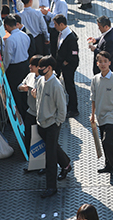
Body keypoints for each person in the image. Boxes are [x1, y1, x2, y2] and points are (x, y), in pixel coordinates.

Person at [34, 55, 71, 198]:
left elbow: (62, 108)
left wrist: (57, 122)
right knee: (53, 147)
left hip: (51, 125)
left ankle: (51, 187)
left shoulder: (56, 85)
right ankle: (66, 164)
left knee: (50, 156)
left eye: (41, 67)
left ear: (49, 68)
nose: (39, 70)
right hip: (41, 123)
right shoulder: (41, 81)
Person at [3, 15, 31, 121]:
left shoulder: (10, 40)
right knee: (25, 90)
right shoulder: (25, 35)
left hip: (15, 69)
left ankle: (20, 116)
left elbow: (7, 58)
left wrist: (3, 70)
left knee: (16, 92)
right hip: (25, 65)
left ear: (6, 26)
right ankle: (26, 112)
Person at [54, 15, 80, 118]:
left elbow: (74, 53)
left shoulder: (70, 37)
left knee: (70, 86)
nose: (54, 26)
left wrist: (66, 62)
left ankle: (74, 109)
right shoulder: (62, 34)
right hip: (62, 63)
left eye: (56, 25)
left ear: (61, 24)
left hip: (69, 65)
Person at [18, 55, 43, 154]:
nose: (30, 66)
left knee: (40, 137)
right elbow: (19, 86)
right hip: (30, 112)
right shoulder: (30, 76)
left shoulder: (44, 80)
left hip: (41, 114)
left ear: (38, 67)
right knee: (28, 134)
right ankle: (28, 153)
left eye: (32, 65)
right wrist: (21, 88)